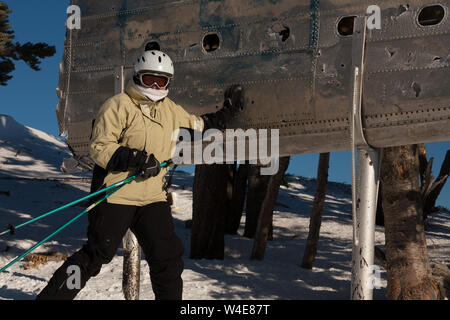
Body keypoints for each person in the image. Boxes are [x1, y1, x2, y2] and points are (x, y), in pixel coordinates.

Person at [36, 49, 244, 300]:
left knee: (167, 257)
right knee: (97, 253)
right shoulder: (118, 106)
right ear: (137, 77)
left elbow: (197, 125)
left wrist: (227, 113)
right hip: (116, 194)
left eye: (162, 80)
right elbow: (100, 148)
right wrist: (136, 159)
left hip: (151, 197)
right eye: (149, 79)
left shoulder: (170, 110)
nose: (155, 85)